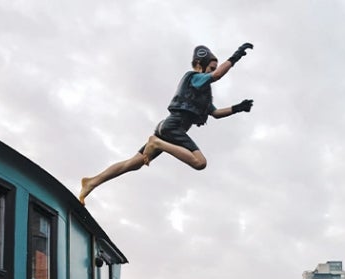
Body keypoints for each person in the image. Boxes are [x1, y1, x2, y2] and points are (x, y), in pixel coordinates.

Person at [79, 43, 254, 205]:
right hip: (173, 127)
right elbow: (217, 75)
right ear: (200, 64)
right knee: (200, 162)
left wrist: (238, 108)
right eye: (211, 68)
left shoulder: (202, 94)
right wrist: (235, 56)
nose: (212, 72)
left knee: (134, 163)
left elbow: (215, 113)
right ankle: (156, 143)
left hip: (167, 128)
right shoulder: (194, 77)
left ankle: (91, 182)